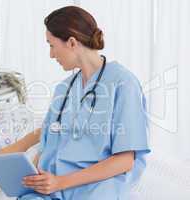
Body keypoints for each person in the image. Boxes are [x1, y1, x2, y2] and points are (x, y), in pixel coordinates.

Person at [20, 6, 150, 200]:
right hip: (51, 190)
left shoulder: (123, 84)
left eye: (52, 45)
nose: (51, 55)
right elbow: (46, 147)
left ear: (72, 42)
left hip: (95, 189)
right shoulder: (64, 89)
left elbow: (125, 161)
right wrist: (35, 178)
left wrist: (60, 182)